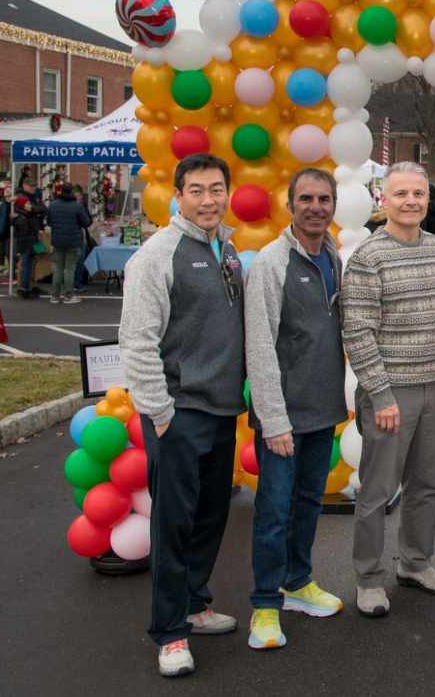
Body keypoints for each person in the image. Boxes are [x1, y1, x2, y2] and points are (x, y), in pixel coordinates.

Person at [120, 153, 247, 676]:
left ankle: (196, 605)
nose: (208, 199)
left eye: (216, 189)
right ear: (177, 196)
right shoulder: (157, 255)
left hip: (221, 411)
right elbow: (137, 341)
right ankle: (170, 632)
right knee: (173, 524)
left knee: (210, 516)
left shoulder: (229, 249)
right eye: (196, 190)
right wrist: (161, 414)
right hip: (179, 414)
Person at [342, 161, 435, 619]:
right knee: (377, 490)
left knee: (425, 485)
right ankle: (368, 578)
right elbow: (358, 332)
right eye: (402, 194)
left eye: (419, 193)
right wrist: (382, 395)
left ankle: (415, 562)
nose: (411, 201)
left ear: (428, 198)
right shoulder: (369, 257)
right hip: (392, 393)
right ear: (383, 199)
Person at [243, 169, 347, 650]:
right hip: (283, 417)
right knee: (272, 512)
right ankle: (265, 605)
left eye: (324, 198)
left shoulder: (331, 254)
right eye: (306, 198)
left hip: (322, 410)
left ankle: (297, 582)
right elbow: (259, 346)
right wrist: (273, 419)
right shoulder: (271, 262)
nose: (316, 207)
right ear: (290, 204)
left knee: (308, 502)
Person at [45, 182, 91, 304]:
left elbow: (49, 222)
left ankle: (54, 295)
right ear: (71, 192)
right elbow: (86, 222)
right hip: (73, 240)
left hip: (57, 240)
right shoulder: (77, 206)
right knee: (70, 268)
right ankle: (68, 295)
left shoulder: (53, 205)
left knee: (59, 268)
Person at [12, 176, 47, 299]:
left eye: (34, 186)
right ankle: (23, 286)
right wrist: (34, 211)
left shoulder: (35, 197)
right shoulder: (21, 198)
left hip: (35, 233)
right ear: (24, 185)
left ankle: (32, 283)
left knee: (35, 260)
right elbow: (31, 210)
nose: (34, 188)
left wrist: (34, 210)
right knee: (25, 262)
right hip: (28, 236)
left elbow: (43, 209)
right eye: (31, 186)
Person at [0, 184, 13, 279]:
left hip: (11, 229)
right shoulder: (0, 201)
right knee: (2, 249)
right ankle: (1, 266)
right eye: (6, 189)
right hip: (2, 229)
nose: (7, 190)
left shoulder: (13, 203)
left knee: (10, 250)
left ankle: (12, 267)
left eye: (9, 189)